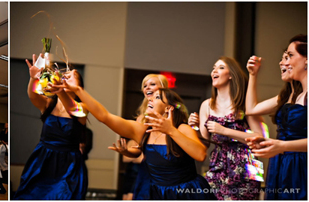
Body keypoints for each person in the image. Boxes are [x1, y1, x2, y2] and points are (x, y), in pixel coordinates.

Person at [58, 75, 216, 199]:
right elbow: (104, 116)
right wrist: (78, 90)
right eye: (150, 96)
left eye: (157, 97)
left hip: (187, 194)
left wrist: (170, 131)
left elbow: (201, 155)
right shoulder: (143, 130)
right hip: (158, 194)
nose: (151, 98)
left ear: (168, 107)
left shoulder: (182, 128)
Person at [187, 56, 264, 200]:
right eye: (213, 68)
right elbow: (203, 143)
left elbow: (260, 137)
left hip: (247, 168)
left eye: (221, 67)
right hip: (218, 167)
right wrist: (195, 127)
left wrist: (224, 131)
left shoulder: (244, 103)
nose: (214, 71)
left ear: (231, 75)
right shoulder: (207, 105)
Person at [14, 54, 87, 199]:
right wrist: (34, 78)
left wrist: (59, 91)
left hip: (68, 164)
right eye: (65, 74)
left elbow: (73, 109)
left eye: (71, 76)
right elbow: (33, 95)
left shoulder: (83, 107)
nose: (66, 75)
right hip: (43, 159)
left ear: (78, 86)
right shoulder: (49, 104)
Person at [245, 34, 307, 200]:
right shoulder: (290, 96)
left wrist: (281, 145)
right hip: (282, 162)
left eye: (290, 55)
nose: (282, 62)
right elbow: (251, 109)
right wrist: (253, 75)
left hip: (301, 164)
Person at [111, 74, 168, 200]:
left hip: (166, 170)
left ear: (163, 88)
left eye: (152, 84)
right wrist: (126, 151)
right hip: (146, 170)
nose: (147, 88)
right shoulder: (142, 118)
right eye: (145, 85)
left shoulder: (172, 112)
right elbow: (139, 149)